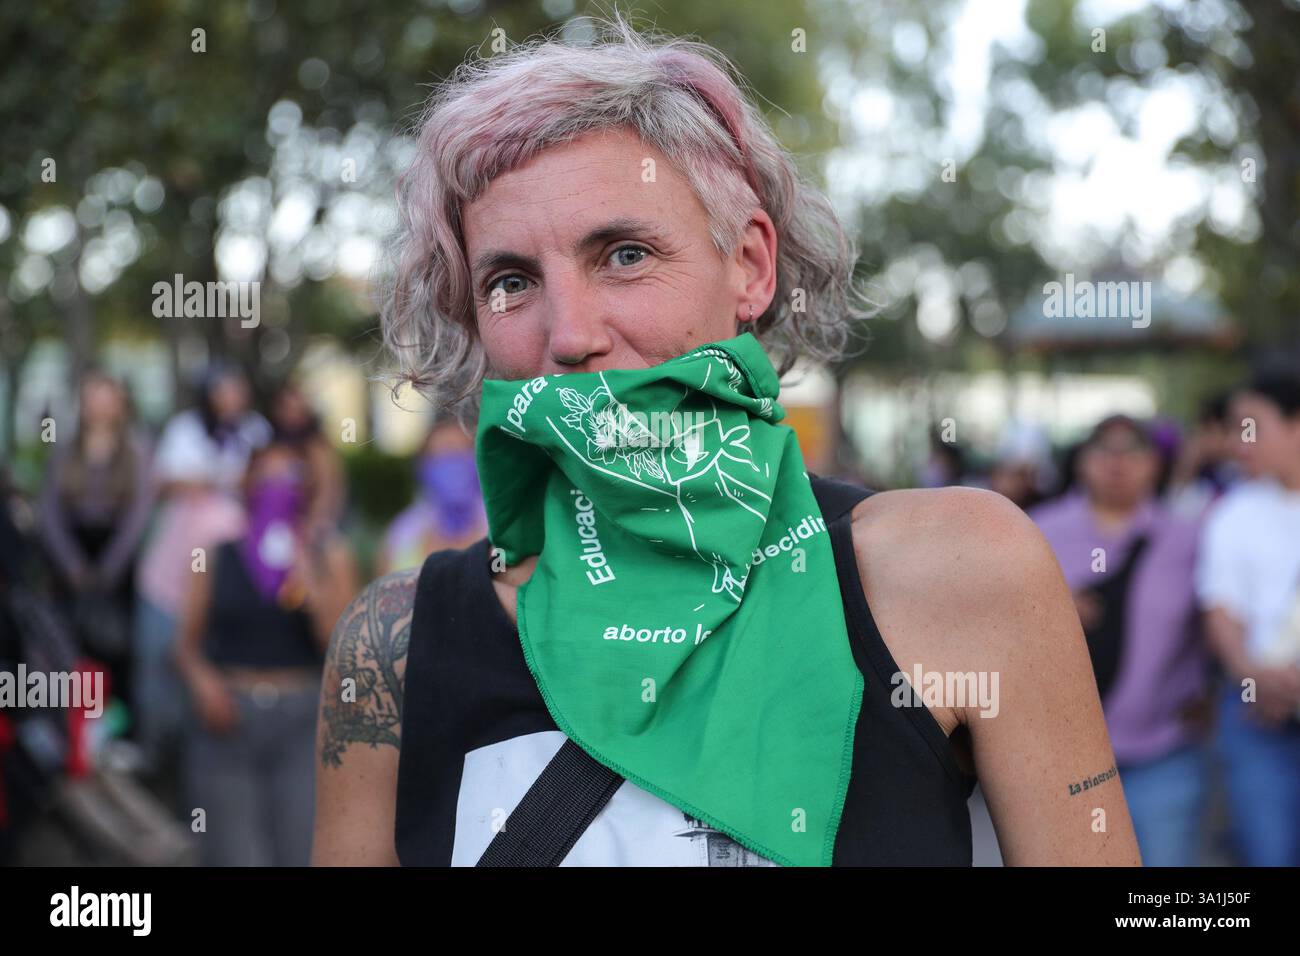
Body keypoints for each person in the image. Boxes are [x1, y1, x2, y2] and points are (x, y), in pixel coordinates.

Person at [312, 15, 1140, 867]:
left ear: (749, 266)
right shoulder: (395, 646)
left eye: (625, 254)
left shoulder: (961, 568)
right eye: (512, 281)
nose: (568, 334)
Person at [1030, 414, 1211, 865]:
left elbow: (1218, 620)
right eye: (1103, 450)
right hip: (1063, 759)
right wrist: (1045, 609)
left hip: (1163, 750)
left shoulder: (1187, 538)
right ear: (1082, 461)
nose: (1117, 462)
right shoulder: (1036, 530)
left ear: (1155, 463)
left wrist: (1212, 692)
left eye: (1132, 450)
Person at [174, 441, 357, 866]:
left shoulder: (328, 554)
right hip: (228, 721)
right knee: (234, 854)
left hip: (301, 721)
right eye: (266, 475)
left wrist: (310, 583)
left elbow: (344, 648)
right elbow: (185, 645)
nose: (277, 486)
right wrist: (204, 685)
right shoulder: (217, 555)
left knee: (299, 850)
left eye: (289, 475)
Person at [133, 363, 271, 775]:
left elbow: (259, 487)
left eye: (237, 388)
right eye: (223, 389)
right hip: (169, 576)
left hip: (223, 580)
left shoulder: (256, 431)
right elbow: (168, 483)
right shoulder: (184, 428)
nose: (231, 397)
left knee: (208, 668)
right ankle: (155, 755)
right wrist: (220, 480)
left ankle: (198, 763)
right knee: (158, 664)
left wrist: (209, 481)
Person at [1195, 369, 1300, 866]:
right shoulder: (1233, 513)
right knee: (1269, 851)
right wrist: (1253, 674)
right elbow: (1220, 608)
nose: (1240, 442)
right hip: (1257, 712)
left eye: (1250, 426)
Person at [39, 370, 155, 721]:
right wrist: (71, 563)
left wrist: (109, 568)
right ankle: (71, 727)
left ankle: (118, 727)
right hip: (71, 557)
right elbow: (50, 509)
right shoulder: (65, 446)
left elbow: (139, 513)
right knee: (66, 643)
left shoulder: (137, 447)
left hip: (115, 558)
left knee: (117, 647)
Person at [374, 416, 487, 577]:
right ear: (423, 469)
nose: (454, 467)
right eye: (444, 455)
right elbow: (380, 596)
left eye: (461, 453)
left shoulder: (501, 533)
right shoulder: (402, 535)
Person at [268, 380, 345, 533]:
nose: (293, 416)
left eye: (298, 410)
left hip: (311, 524)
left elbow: (328, 492)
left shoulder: (319, 449)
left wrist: (315, 523)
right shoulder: (271, 447)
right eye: (288, 409)